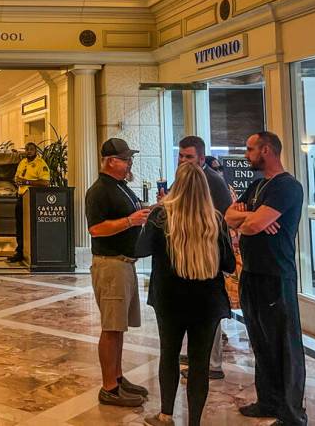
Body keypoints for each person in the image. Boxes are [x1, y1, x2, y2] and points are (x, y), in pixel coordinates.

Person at [136, 163, 235, 426]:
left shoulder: (161, 216)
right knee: (200, 364)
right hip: (207, 302)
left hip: (170, 300)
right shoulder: (215, 219)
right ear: (205, 188)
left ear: (175, 187)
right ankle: (194, 422)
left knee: (168, 354)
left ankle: (166, 415)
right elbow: (228, 264)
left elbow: (140, 249)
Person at [225, 132, 306, 425]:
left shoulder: (287, 187)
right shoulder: (258, 185)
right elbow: (228, 217)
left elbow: (250, 225)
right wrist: (252, 219)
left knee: (284, 343)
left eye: (250, 149)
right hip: (252, 272)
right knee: (260, 340)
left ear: (267, 150)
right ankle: (268, 400)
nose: (246, 154)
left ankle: (291, 412)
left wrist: (253, 220)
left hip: (276, 275)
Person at [85, 137, 151, 407]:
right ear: (111, 161)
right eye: (125, 159)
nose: (129, 163)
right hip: (110, 264)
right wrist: (129, 221)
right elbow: (96, 229)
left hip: (124, 263)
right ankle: (109, 388)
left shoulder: (121, 187)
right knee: (111, 328)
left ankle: (119, 377)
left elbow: (133, 215)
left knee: (119, 327)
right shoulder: (99, 191)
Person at [173, 136, 233, 380]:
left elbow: (225, 216)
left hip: (208, 256)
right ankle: (199, 354)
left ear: (200, 157)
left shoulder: (213, 181)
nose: (183, 161)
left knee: (210, 312)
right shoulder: (183, 178)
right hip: (188, 255)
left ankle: (213, 363)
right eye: (181, 156)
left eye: (189, 157)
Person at [9, 142, 51, 263]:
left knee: (30, 226)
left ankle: (32, 251)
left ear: (36, 151)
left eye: (31, 149)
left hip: (33, 200)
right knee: (20, 225)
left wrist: (27, 182)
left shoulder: (40, 164)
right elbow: (16, 177)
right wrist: (17, 181)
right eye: (27, 149)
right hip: (21, 197)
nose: (28, 151)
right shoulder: (23, 163)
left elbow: (45, 182)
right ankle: (20, 251)